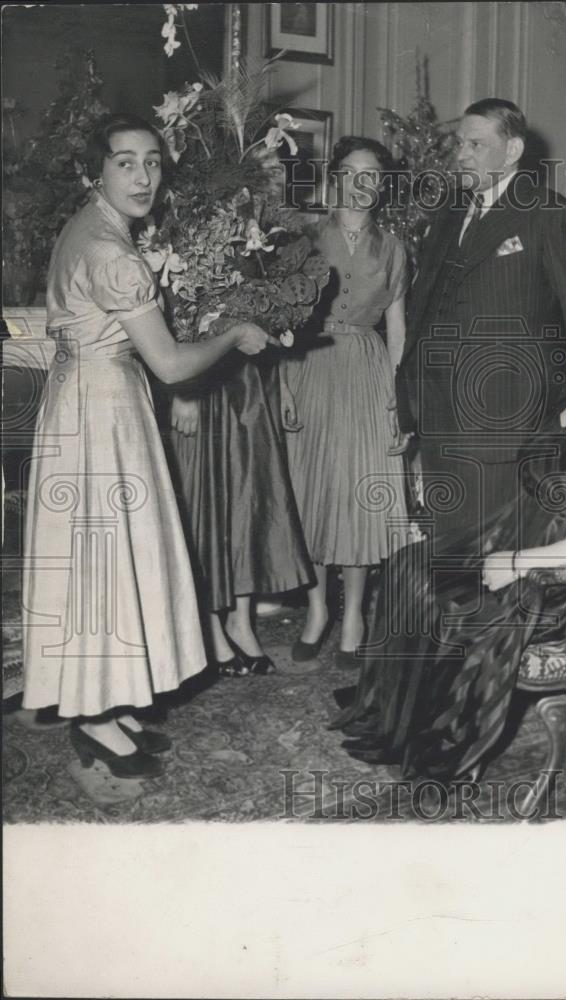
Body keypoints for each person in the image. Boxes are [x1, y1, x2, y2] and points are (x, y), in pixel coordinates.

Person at [332, 294, 566, 782]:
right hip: (515, 532)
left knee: (462, 607)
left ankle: (446, 745)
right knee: (409, 565)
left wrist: (519, 562)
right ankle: (393, 711)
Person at [21, 113, 277, 777]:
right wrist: (234, 334)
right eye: (125, 161)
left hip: (92, 395)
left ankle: (108, 699)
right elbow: (171, 365)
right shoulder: (113, 253)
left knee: (106, 551)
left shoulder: (92, 227)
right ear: (95, 171)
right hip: (101, 408)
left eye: (153, 161)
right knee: (102, 556)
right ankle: (95, 716)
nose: (143, 176)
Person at [396, 97, 566, 541]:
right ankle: (450, 609)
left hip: (505, 412)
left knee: (495, 540)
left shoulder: (548, 212)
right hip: (438, 408)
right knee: (447, 536)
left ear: (512, 151)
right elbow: (424, 305)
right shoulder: (449, 213)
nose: (462, 154)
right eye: (459, 144)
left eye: (476, 144)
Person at [282, 136, 409, 666]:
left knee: (360, 495)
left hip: (366, 368)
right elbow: (283, 320)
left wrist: (397, 397)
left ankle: (353, 614)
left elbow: (398, 326)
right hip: (310, 364)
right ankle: (318, 610)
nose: (363, 184)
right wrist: (285, 385)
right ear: (335, 177)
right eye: (353, 173)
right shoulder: (303, 239)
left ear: (382, 185)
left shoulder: (395, 248)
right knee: (311, 491)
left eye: (373, 175)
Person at [168, 316, 314, 677]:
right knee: (200, 502)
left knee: (249, 495)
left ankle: (241, 622)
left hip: (247, 381)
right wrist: (182, 391)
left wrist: (281, 383)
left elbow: (260, 313)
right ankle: (211, 626)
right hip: (196, 382)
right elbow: (169, 321)